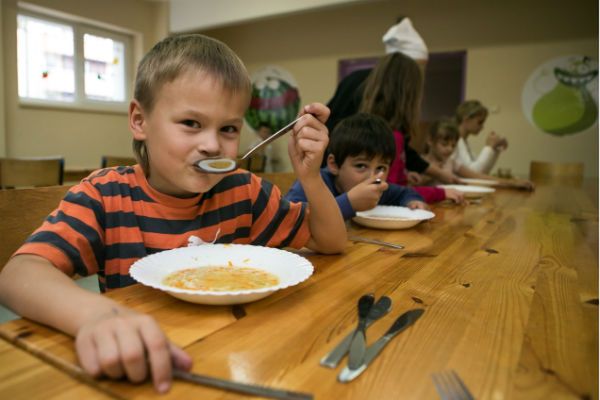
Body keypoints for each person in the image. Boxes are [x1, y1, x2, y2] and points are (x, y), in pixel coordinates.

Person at [0, 34, 347, 393]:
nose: (212, 144)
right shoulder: (105, 197)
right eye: (191, 124)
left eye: (228, 129)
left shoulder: (244, 192)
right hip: (140, 370)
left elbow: (331, 241)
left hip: (233, 360)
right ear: (140, 120)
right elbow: (18, 275)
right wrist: (95, 316)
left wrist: (310, 176)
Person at [324, 17, 459, 186]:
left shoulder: (395, 119)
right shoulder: (357, 83)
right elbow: (331, 130)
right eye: (418, 69)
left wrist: (430, 173)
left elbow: (400, 151)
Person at [358, 52, 465, 204]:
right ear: (410, 95)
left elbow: (391, 180)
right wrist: (440, 192)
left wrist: (404, 176)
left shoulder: (380, 130)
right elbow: (388, 192)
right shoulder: (392, 137)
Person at [285, 113, 427, 217]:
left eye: (381, 168)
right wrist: (349, 203)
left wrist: (413, 202)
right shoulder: (313, 182)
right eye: (361, 166)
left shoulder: (378, 188)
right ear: (334, 165)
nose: (373, 177)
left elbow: (405, 192)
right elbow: (289, 217)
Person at [422, 118, 533, 190]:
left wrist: (512, 183)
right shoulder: (420, 162)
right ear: (430, 141)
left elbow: (479, 177)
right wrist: (427, 177)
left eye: (453, 145)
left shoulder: (451, 163)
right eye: (444, 144)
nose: (450, 149)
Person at [452, 100, 508, 173]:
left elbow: (482, 171)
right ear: (466, 120)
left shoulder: (463, 142)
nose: (482, 127)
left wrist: (495, 148)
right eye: (480, 122)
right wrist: (489, 147)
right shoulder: (454, 141)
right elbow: (473, 172)